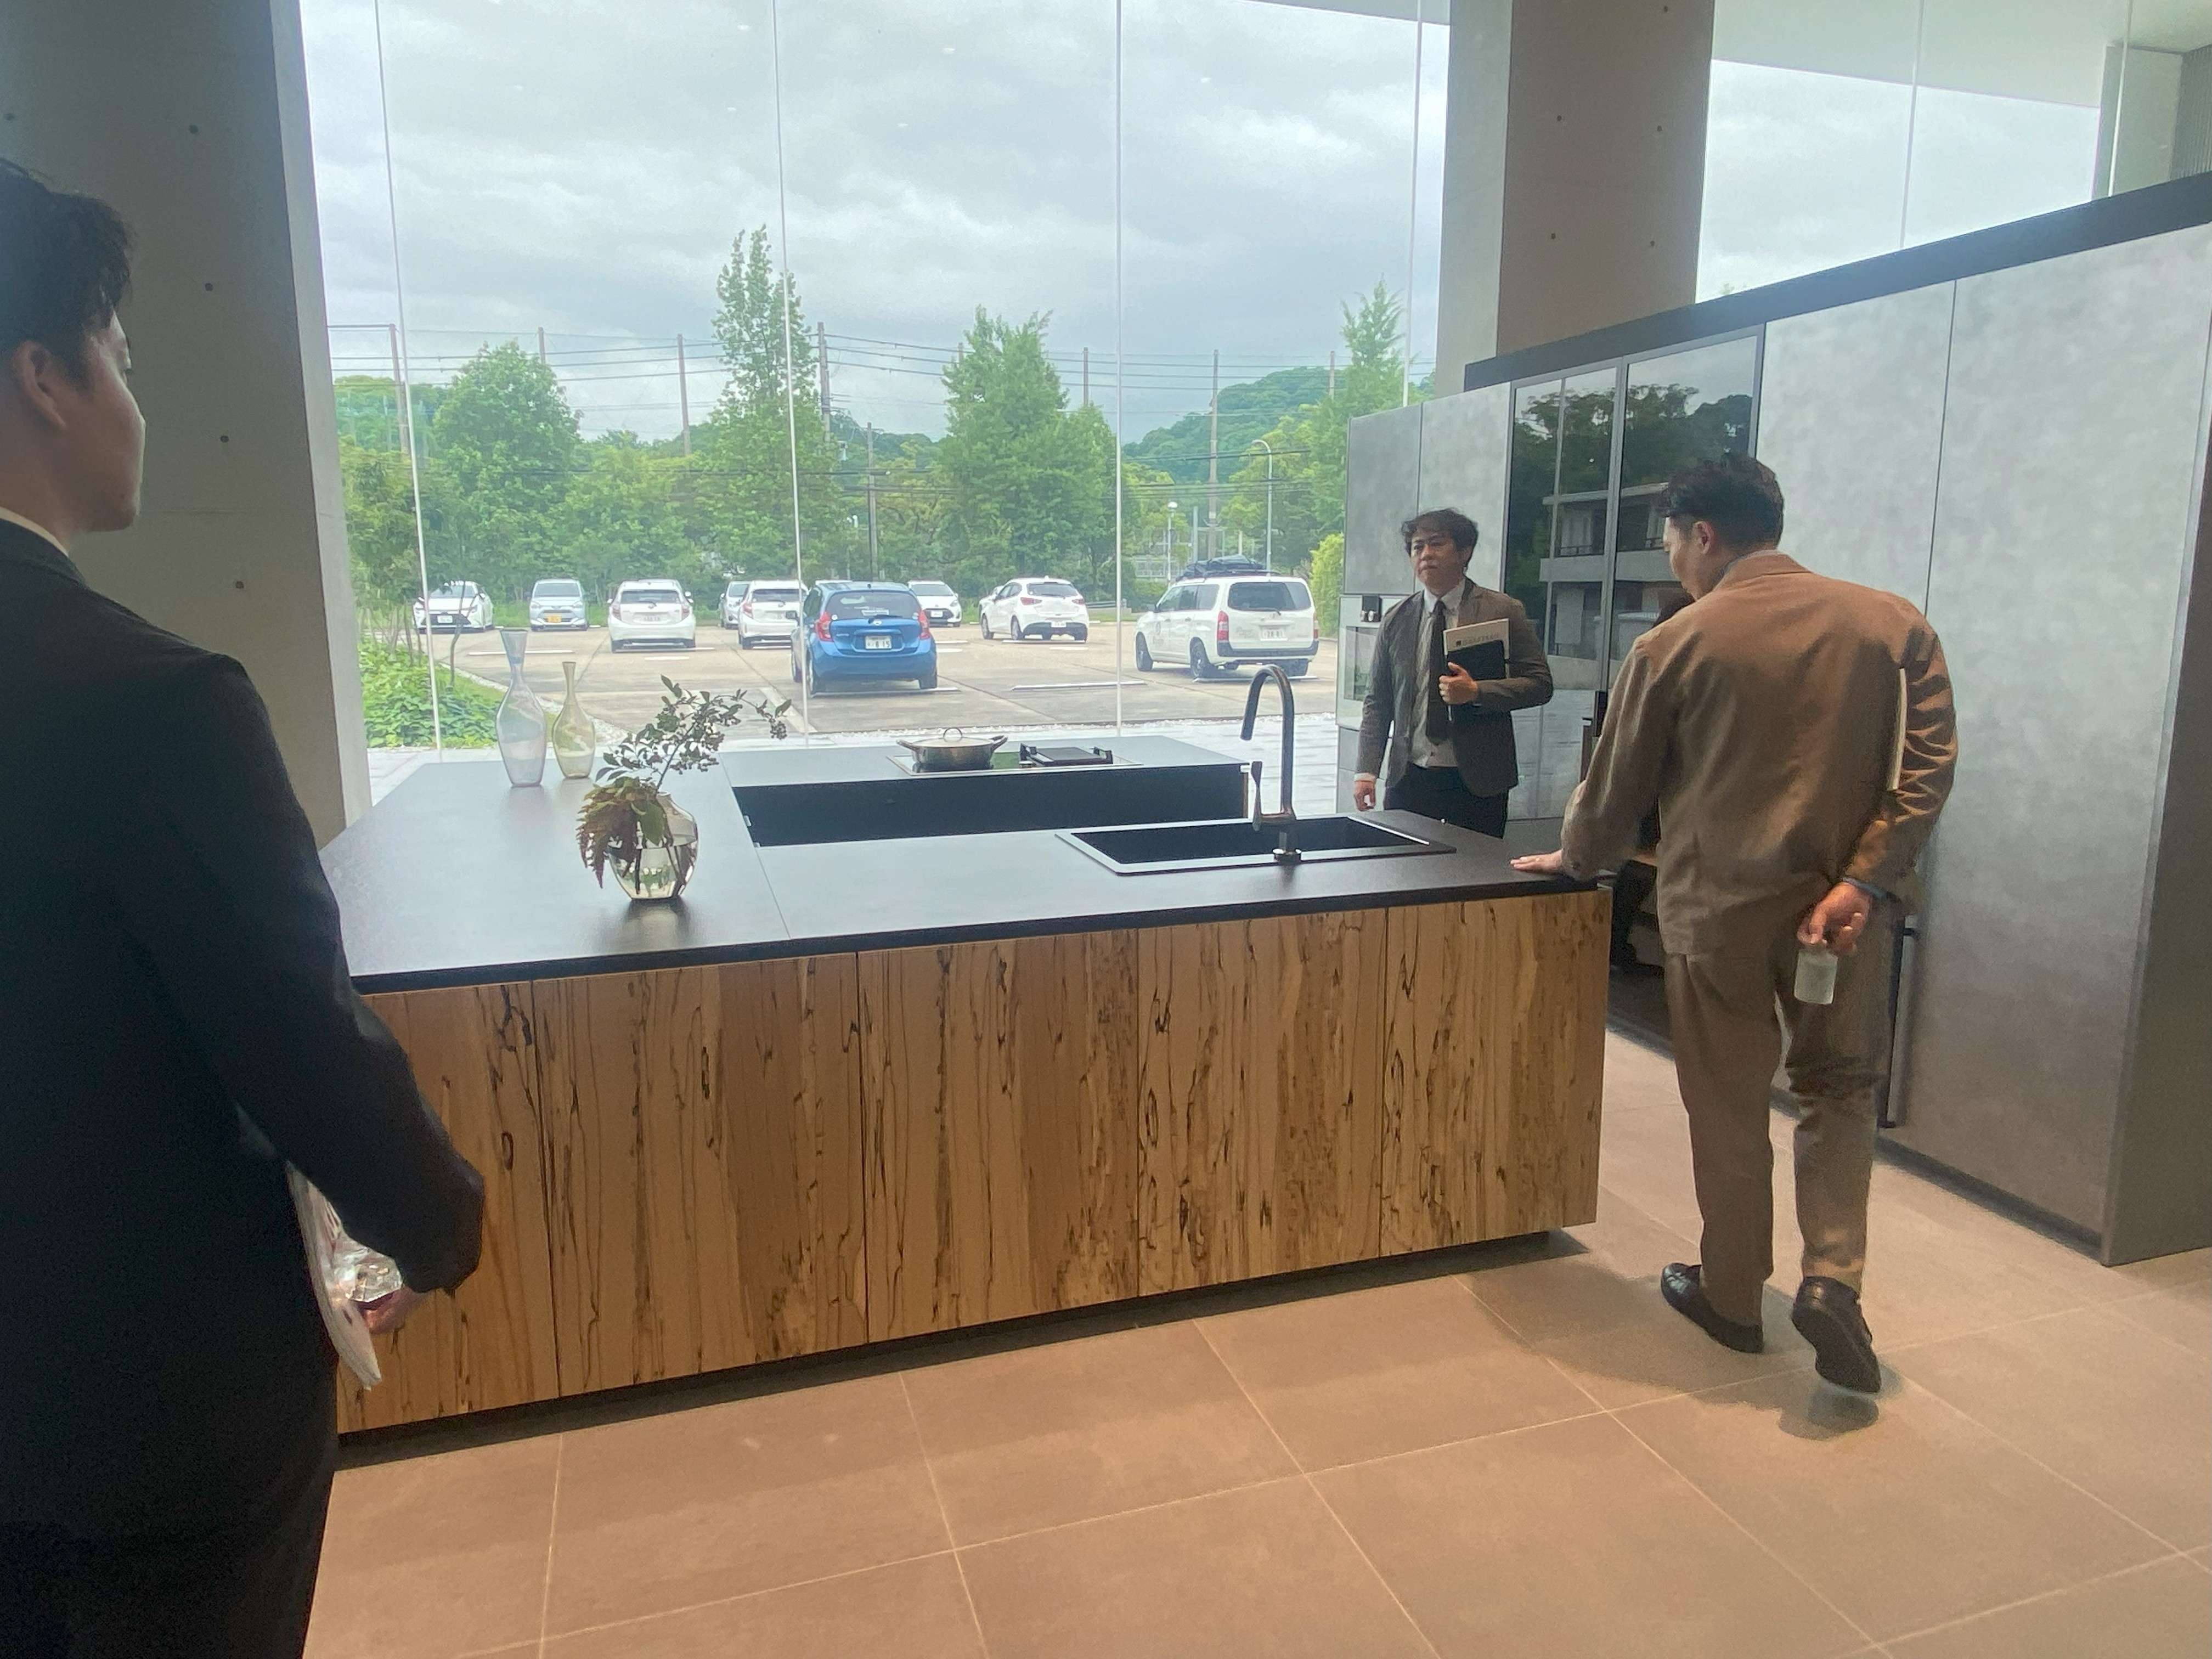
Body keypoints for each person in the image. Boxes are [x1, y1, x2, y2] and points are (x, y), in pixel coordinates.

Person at [0, 161, 484, 1655]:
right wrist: (434, 1226)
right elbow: (297, 1039)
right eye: (124, 356)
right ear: (46, 379)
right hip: (137, 1413)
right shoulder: (147, 703)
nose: (137, 404)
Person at [1513, 453, 1955, 1394]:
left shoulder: (1675, 642)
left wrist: (1575, 859)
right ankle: (1832, 1276)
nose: (1673, 559)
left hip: (1716, 912)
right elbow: (1927, 772)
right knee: (1839, 1088)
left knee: (1727, 1101)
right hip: (1842, 917)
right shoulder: (1892, 623)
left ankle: (1732, 1293)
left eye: (1672, 540)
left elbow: (1615, 792)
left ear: (1703, 534)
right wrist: (1864, 881)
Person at [1352, 507, 1552, 837]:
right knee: (1405, 864)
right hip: (1410, 776)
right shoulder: (1397, 618)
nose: (1426, 554)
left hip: (1478, 779)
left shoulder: (1502, 610)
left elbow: (1540, 684)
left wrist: (1477, 692)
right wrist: (1366, 771)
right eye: (1417, 547)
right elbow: (1378, 700)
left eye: (1436, 543)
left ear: (1465, 551)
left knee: (1475, 867)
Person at [1606, 588, 1695, 976]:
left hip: (1666, 787)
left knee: (1640, 866)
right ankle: (1616, 944)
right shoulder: (1658, 656)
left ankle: (1616, 944)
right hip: (1663, 786)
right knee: (1641, 864)